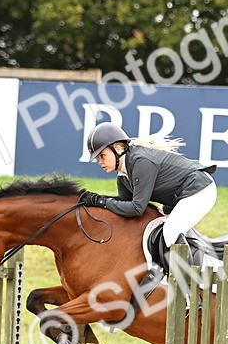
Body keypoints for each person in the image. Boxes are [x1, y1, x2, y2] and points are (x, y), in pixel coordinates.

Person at [80, 121, 218, 292]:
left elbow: (137, 208)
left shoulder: (140, 162)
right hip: (181, 196)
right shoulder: (123, 175)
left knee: (170, 231)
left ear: (117, 148)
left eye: (102, 155)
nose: (100, 162)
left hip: (200, 189)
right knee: (163, 223)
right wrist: (97, 200)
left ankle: (191, 290)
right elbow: (123, 205)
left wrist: (100, 201)